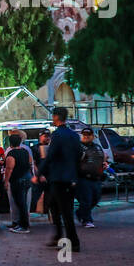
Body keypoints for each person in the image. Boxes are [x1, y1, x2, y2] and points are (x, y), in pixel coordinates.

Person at [38, 107, 81, 252]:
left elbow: (51, 156)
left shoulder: (57, 135)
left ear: (56, 117)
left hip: (59, 177)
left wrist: (39, 173)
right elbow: (79, 154)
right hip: (69, 177)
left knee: (65, 211)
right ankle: (59, 235)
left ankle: (72, 242)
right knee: (54, 206)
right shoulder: (74, 135)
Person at [3, 131, 34, 233]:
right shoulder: (25, 151)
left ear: (10, 143)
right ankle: (22, 224)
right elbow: (30, 163)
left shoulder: (11, 154)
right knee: (23, 203)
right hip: (27, 179)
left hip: (18, 181)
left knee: (20, 204)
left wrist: (6, 182)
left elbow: (9, 169)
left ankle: (23, 226)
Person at [76, 127, 107, 227]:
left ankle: (80, 213)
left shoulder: (97, 147)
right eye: (84, 135)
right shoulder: (78, 147)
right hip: (82, 178)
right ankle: (87, 220)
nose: (86, 137)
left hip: (96, 177)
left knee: (96, 198)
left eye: (88, 135)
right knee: (86, 200)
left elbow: (103, 158)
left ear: (92, 136)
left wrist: (104, 164)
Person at [29, 129, 51, 218]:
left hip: (50, 176)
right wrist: (39, 175)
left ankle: (48, 212)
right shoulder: (34, 148)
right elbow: (33, 163)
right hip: (39, 177)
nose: (47, 138)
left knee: (50, 197)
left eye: (48, 136)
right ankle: (31, 213)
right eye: (45, 136)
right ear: (40, 136)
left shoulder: (52, 148)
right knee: (35, 195)